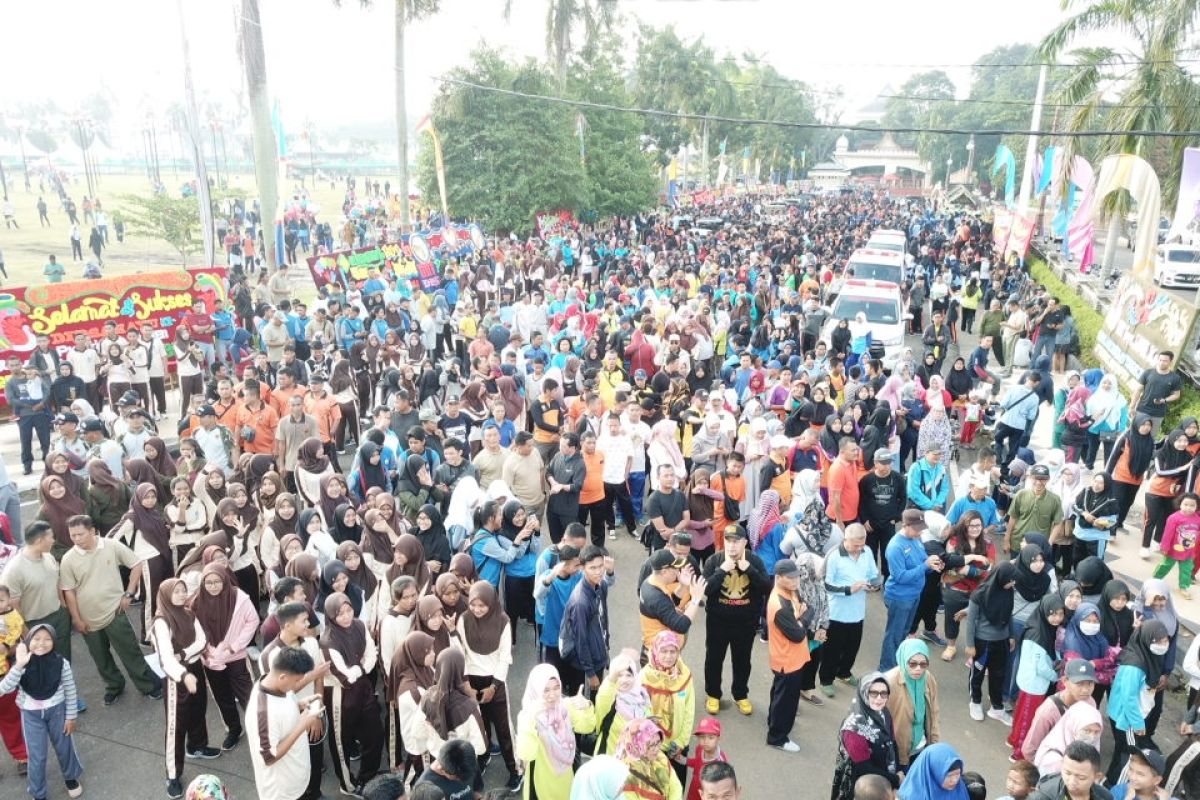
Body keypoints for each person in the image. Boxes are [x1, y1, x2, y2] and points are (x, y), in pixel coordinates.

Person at [60, 515, 162, 705]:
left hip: (115, 613)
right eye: (72, 535)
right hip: (87, 618)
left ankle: (148, 685)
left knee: (130, 652)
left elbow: (136, 564)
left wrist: (129, 594)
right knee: (100, 657)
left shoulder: (111, 546)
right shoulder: (68, 559)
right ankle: (114, 686)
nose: (76, 539)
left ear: (92, 531)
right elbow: (69, 592)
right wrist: (76, 619)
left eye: (80, 534)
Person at [151, 577, 219, 795]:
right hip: (176, 678)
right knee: (175, 726)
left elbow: (201, 640)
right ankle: (172, 774)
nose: (181, 594)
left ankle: (197, 745)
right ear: (165, 595)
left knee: (198, 709)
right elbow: (166, 659)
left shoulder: (188, 613)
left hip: (194, 667)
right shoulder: (161, 622)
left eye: (183, 590)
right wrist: (183, 673)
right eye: (176, 591)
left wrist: (183, 653)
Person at [0, 624, 84, 800]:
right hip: (31, 715)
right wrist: (19, 666)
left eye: (47, 639)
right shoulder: (21, 664)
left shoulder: (61, 663)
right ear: (29, 641)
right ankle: (38, 792)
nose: (42, 643)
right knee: (36, 755)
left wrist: (71, 716)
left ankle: (70, 778)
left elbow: (70, 689)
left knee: (65, 747)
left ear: (54, 642)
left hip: (57, 711)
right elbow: (3, 689)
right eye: (37, 639)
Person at [701, 523, 770, 715]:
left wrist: (750, 571)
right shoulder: (714, 560)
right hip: (717, 621)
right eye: (728, 541)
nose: (732, 546)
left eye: (736, 541)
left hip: (745, 622)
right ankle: (713, 694)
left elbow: (766, 587)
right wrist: (721, 570)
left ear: (744, 542)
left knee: (742, 660)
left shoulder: (754, 561)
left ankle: (740, 694)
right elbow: (705, 589)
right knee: (714, 658)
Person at [456, 581, 519, 788]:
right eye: (473, 604)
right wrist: (466, 686)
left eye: (482, 605)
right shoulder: (464, 620)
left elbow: (504, 657)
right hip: (471, 681)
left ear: (491, 602)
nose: (477, 609)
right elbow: (461, 653)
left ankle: (514, 770)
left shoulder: (503, 621)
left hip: (495, 680)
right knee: (478, 725)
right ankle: (483, 758)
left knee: (504, 728)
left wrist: (494, 686)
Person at [321, 591, 383, 795]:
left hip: (363, 687)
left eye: (349, 610)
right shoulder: (328, 640)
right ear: (331, 616)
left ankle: (369, 776)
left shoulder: (359, 625)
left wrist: (361, 668)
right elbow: (345, 676)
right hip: (341, 695)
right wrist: (362, 667)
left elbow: (372, 652)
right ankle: (347, 784)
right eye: (340, 614)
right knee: (342, 742)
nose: (346, 616)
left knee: (374, 734)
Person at [245, 646, 325, 800]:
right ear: (282, 677)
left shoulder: (274, 684)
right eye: (297, 680)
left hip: (296, 779)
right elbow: (268, 757)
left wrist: (300, 703)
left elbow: (283, 705)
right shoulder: (262, 712)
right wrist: (302, 725)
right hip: (283, 792)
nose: (300, 683)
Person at [514, 663, 595, 800]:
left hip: (567, 775)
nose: (552, 695)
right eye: (546, 690)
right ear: (536, 689)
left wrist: (586, 706)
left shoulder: (565, 706)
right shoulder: (528, 715)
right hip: (541, 781)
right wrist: (530, 719)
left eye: (556, 688)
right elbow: (526, 753)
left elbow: (587, 727)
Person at [1106, 619, 1171, 785]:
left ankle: (1108, 782)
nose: (1163, 645)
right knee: (1130, 756)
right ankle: (1115, 789)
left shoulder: (1148, 655)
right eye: (1158, 641)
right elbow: (1128, 699)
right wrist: (1137, 724)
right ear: (1147, 639)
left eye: (1165, 640)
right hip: (1127, 719)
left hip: (1132, 715)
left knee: (1121, 750)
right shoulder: (1135, 666)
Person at [822, 524, 881, 696]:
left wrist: (872, 585)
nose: (859, 549)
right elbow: (826, 585)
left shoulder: (867, 551)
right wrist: (849, 589)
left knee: (852, 647)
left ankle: (844, 673)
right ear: (845, 539)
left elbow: (872, 574)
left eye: (861, 544)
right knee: (832, 649)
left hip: (857, 612)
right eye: (855, 545)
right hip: (837, 613)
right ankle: (826, 679)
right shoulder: (834, 556)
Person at [880, 510, 941, 672]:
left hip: (914, 595)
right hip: (899, 598)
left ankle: (898, 664)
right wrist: (925, 566)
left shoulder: (916, 538)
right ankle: (886, 669)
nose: (920, 532)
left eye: (922, 528)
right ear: (905, 525)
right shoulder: (895, 546)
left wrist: (932, 565)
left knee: (904, 632)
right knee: (894, 635)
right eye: (917, 528)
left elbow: (921, 562)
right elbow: (900, 577)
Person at [765, 559, 811, 753]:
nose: (795, 581)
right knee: (786, 701)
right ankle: (777, 737)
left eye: (796, 576)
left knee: (779, 694)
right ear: (779, 578)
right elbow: (798, 633)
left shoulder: (790, 591)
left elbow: (807, 608)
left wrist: (801, 619)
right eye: (790, 578)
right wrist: (803, 619)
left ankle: (773, 722)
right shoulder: (780, 605)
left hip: (791, 657)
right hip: (787, 659)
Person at [830, 673, 900, 800]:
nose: (879, 698)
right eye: (873, 693)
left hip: (883, 781)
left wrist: (898, 771)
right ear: (864, 692)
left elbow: (892, 743)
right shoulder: (854, 729)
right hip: (862, 787)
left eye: (884, 693)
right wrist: (895, 779)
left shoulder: (883, 713)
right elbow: (864, 768)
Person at [965, 560, 1018, 724]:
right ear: (1001, 578)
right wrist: (970, 644)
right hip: (983, 643)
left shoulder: (1009, 592)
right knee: (978, 674)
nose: (1013, 583)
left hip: (1001, 641)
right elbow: (970, 621)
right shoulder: (979, 595)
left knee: (998, 675)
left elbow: (1009, 614)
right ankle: (975, 702)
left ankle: (997, 707)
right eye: (1011, 580)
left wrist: (1011, 635)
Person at [885, 638, 940, 770]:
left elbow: (934, 712)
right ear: (904, 659)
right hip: (896, 752)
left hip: (921, 747)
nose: (918, 669)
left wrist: (934, 744)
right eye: (912, 663)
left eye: (923, 664)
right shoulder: (888, 682)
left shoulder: (928, 678)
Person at [615, 716, 684, 800]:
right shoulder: (624, 775)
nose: (657, 749)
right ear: (637, 745)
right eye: (650, 745)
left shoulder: (659, 757)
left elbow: (676, 786)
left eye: (658, 742)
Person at [1032, 700, 1105, 777]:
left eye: (1096, 732)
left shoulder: (1091, 751)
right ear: (1072, 727)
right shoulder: (1053, 760)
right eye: (1087, 731)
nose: (1092, 737)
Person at [1128, 350, 1182, 438]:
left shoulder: (1175, 378)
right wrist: (1132, 406)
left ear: (1170, 362)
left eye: (1165, 361)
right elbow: (1138, 390)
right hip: (1142, 409)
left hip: (1158, 413)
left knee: (1150, 438)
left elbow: (1176, 395)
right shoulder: (1148, 372)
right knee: (1133, 435)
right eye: (1160, 360)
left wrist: (1164, 400)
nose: (1161, 362)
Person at [1029, 742, 1109, 800]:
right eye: (1067, 773)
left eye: (1081, 777)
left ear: (1096, 777)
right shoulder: (1042, 797)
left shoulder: (1104, 797)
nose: (1072, 781)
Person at [897, 742, 969, 800]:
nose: (954, 780)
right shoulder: (909, 797)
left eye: (957, 774)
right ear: (933, 773)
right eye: (949, 775)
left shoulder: (959, 789)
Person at [414, 739, 479, 800]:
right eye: (457, 778)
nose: (462, 780)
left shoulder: (467, 762)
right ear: (442, 770)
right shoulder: (425, 790)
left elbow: (476, 791)